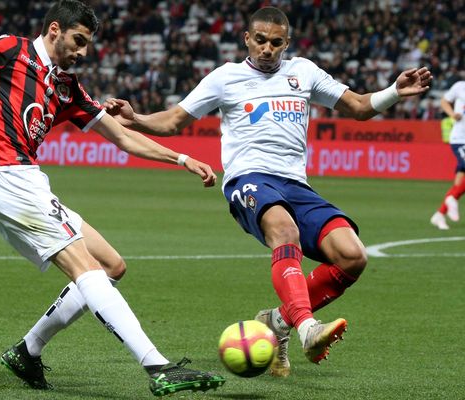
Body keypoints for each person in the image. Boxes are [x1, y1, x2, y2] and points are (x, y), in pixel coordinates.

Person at [0, 0, 224, 396]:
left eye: (87, 44)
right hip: (6, 176)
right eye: (78, 41)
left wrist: (182, 157)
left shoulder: (66, 86)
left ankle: (27, 351)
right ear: (55, 29)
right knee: (85, 268)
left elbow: (121, 136)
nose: (83, 52)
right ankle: (157, 366)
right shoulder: (10, 49)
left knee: (111, 265)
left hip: (26, 179)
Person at [104, 6, 432, 378]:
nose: (267, 49)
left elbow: (357, 106)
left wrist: (393, 91)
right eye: (260, 40)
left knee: (352, 255)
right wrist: (136, 118)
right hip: (249, 179)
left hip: (296, 184)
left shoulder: (303, 71)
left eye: (276, 42)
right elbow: (174, 120)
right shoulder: (225, 78)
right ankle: (307, 328)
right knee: (285, 231)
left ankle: (276, 321)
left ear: (286, 43)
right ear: (247, 38)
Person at [430, 79, 465, 230]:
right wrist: (452, 115)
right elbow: (444, 101)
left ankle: (439, 215)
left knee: (460, 184)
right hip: (460, 138)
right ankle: (451, 199)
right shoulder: (460, 86)